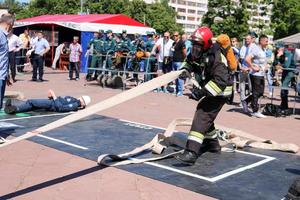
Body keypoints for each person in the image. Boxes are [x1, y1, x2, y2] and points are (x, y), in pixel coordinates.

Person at [174, 27, 233, 164]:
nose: (194, 48)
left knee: (203, 113)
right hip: (210, 89)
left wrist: (201, 92)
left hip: (220, 92)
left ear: (206, 45)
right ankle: (211, 144)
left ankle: (191, 152)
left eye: (198, 45)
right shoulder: (197, 53)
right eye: (193, 45)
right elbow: (188, 62)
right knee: (206, 114)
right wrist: (184, 70)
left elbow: (220, 82)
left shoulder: (216, 57)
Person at [4, 89, 91, 114]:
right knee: (33, 106)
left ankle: (15, 108)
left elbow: (61, 108)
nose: (80, 98)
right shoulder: (75, 101)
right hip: (52, 102)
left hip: (52, 104)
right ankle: (13, 108)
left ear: (83, 102)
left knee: (31, 102)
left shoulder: (75, 104)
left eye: (82, 99)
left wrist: (54, 96)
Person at [245, 35, 269, 118]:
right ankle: (255, 111)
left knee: (260, 92)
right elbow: (247, 59)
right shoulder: (256, 49)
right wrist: (252, 67)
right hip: (255, 74)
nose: (267, 43)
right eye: (266, 41)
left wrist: (265, 67)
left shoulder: (263, 49)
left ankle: (246, 101)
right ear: (261, 41)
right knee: (255, 92)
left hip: (261, 74)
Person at [0, 14, 14, 110]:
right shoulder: (0, 34)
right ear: (10, 23)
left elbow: (4, 56)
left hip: (2, 74)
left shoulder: (3, 35)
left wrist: (7, 74)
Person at [171, 31, 186, 96]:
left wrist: (184, 59)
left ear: (178, 36)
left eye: (176, 35)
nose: (175, 37)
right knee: (175, 77)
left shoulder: (181, 43)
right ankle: (177, 90)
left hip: (179, 61)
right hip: (174, 61)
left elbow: (184, 52)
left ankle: (180, 92)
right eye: (174, 35)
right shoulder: (174, 43)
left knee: (180, 77)